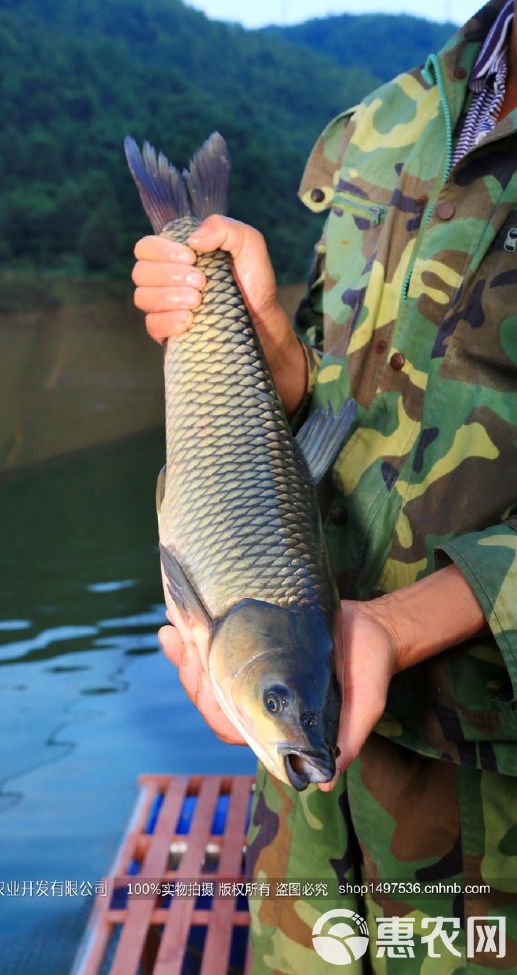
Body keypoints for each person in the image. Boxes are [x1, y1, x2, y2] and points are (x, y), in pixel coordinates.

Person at [132, 0, 517, 969]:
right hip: (305, 820)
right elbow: (337, 394)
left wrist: (398, 623)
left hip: (494, 817)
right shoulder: (390, 117)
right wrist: (259, 338)